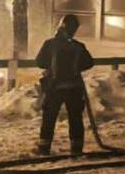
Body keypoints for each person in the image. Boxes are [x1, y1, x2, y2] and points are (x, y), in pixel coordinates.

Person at [34, 14, 95, 155]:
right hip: (74, 88)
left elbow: (40, 62)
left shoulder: (50, 44)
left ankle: (44, 148)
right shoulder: (78, 47)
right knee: (75, 118)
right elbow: (89, 63)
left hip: (55, 88)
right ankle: (76, 149)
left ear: (61, 26)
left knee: (49, 118)